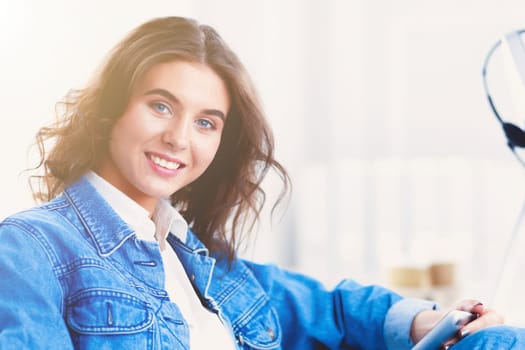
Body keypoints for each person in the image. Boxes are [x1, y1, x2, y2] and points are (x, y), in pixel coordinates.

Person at [0, 16, 522, 350]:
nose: (179, 138)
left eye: (206, 122)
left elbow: (332, 308)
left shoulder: (203, 265)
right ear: (112, 110)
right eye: (161, 105)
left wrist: (440, 321)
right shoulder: (32, 247)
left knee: (496, 341)